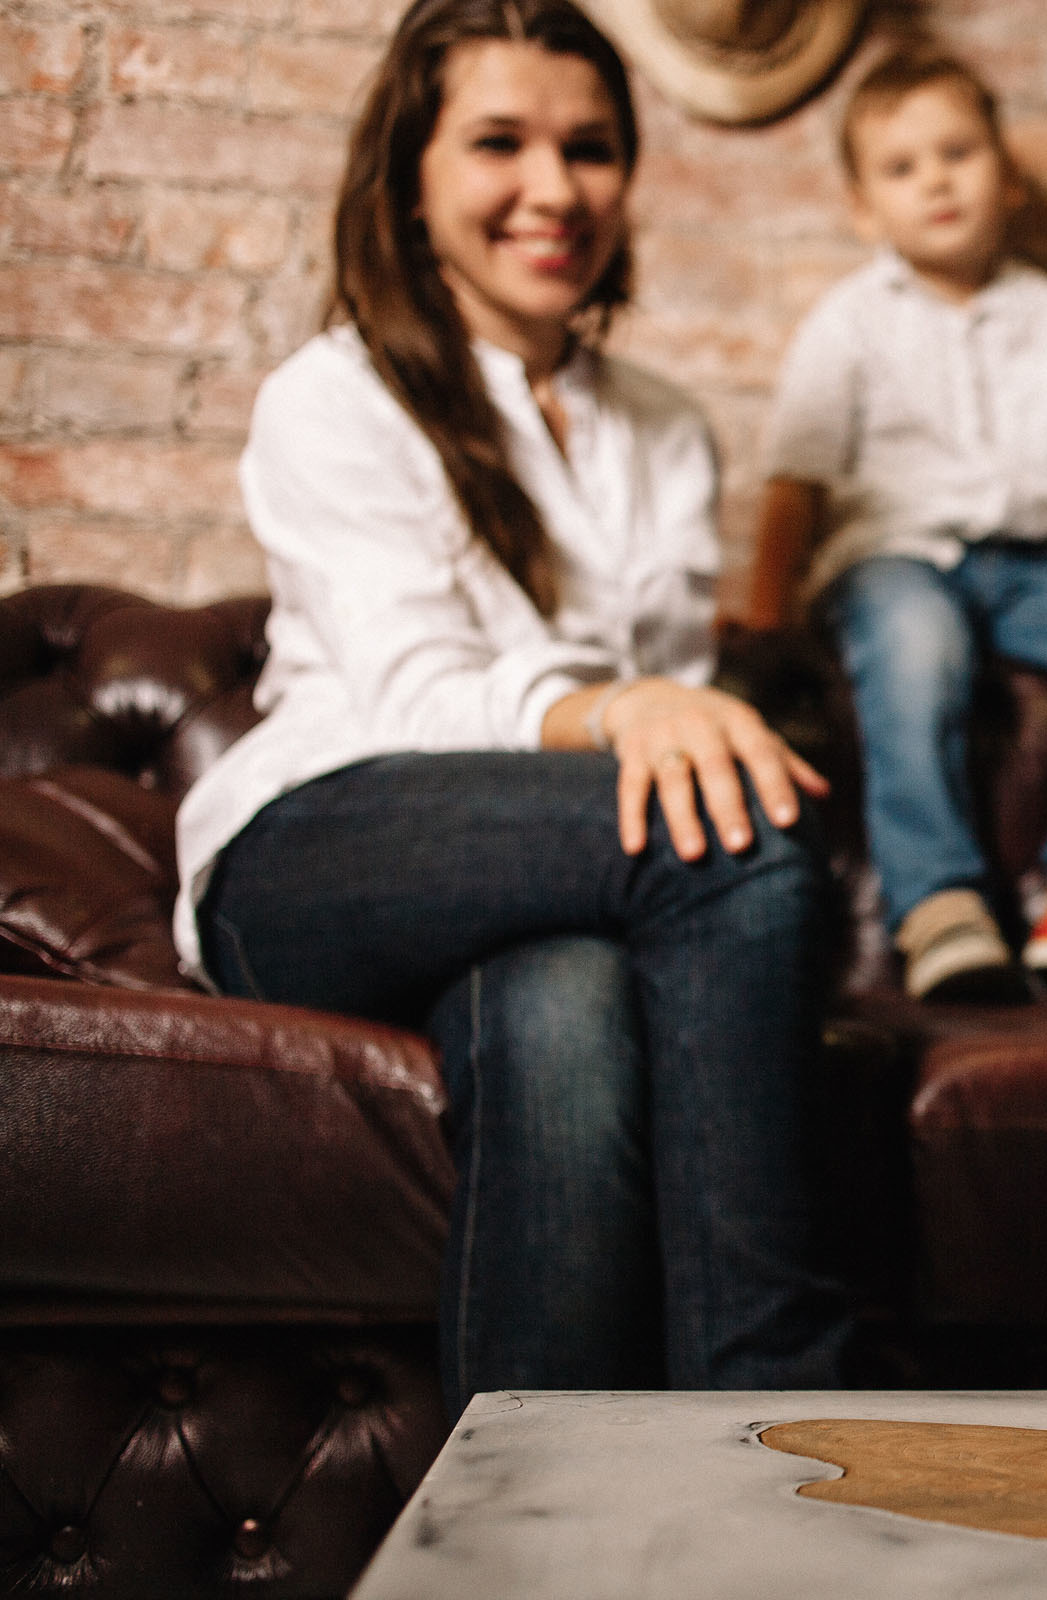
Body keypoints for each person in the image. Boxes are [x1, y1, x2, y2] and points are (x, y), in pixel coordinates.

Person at [173, 0, 851, 1414]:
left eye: (592, 149)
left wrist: (647, 719)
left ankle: (526, 1537)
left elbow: (650, 697)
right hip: (317, 845)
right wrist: (622, 716)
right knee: (737, 830)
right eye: (501, 143)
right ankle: (775, 1434)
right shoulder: (333, 395)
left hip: (539, 881)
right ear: (409, 180)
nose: (556, 189)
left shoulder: (664, 424)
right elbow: (421, 690)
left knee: (562, 1013)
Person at [731, 50, 1047, 1002]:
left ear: (1007, 180)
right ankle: (938, 902)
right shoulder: (847, 324)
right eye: (901, 167)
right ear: (862, 210)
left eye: (957, 153)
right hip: (890, 565)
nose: (934, 179)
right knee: (921, 641)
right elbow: (793, 485)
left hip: (1024, 572)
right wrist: (766, 621)